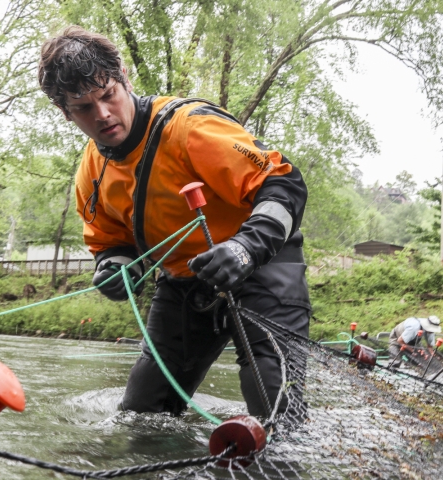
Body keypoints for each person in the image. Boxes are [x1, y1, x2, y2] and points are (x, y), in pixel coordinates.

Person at [38, 26, 311, 418]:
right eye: (83, 107)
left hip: (263, 268)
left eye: (108, 95)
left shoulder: (191, 127)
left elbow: (284, 184)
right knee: (141, 414)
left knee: (275, 410)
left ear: (124, 79)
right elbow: (109, 240)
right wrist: (113, 266)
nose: (102, 114)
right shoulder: (90, 171)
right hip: (184, 284)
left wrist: (245, 248)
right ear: (65, 112)